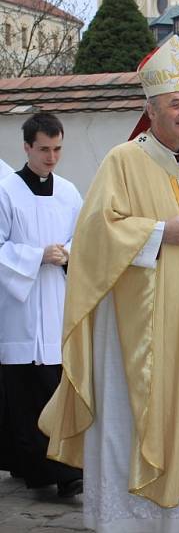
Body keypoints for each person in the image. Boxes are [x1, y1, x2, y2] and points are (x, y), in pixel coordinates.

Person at [39, 35, 179, 533]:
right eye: (175, 104)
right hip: (136, 328)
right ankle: (126, 520)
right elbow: (95, 234)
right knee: (136, 417)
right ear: (151, 110)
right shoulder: (123, 160)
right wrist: (159, 234)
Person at [0, 113, 83, 497]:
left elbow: (84, 237)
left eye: (58, 149)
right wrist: (36, 256)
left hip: (58, 300)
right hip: (19, 306)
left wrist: (69, 254)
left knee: (56, 383)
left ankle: (65, 469)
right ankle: (34, 469)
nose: (52, 157)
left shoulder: (68, 192)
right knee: (23, 390)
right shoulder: (5, 190)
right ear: (27, 147)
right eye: (45, 149)